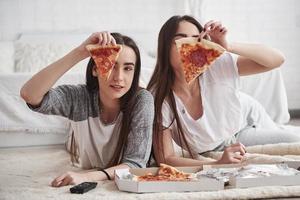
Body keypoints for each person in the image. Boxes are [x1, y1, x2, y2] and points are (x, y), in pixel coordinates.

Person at [147, 15, 300, 167]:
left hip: (246, 119)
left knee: (293, 140)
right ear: (165, 47)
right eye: (180, 40)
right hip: (227, 140)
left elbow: (277, 59)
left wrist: (228, 46)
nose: (189, 47)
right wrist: (218, 163)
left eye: (196, 40)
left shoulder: (215, 65)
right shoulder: (159, 98)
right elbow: (166, 158)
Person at [20, 32, 154, 187]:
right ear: (95, 69)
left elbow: (136, 165)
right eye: (111, 65)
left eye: (128, 68)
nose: (119, 77)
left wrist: (87, 177)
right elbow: (29, 94)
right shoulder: (79, 97)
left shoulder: (142, 100)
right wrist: (79, 52)